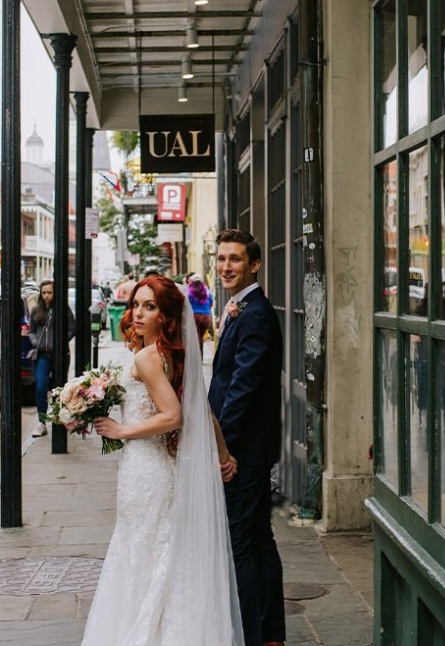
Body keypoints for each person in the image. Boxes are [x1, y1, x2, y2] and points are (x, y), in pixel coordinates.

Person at [84, 275, 243, 646]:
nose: (138, 313)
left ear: (166, 315)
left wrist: (120, 431)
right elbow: (202, 411)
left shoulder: (147, 357)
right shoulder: (173, 354)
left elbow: (174, 416)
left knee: (140, 554)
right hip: (162, 471)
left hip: (145, 469)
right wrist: (223, 455)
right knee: (164, 554)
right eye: (136, 304)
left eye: (149, 307)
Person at [209, 228, 286, 646]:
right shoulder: (241, 307)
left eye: (235, 259)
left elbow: (244, 386)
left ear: (254, 264)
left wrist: (221, 444)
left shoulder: (255, 313)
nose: (226, 267)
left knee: (240, 544)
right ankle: (271, 634)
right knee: (258, 537)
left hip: (242, 448)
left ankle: (251, 637)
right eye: (221, 259)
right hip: (250, 445)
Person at [29, 278, 75, 437]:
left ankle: (59, 419)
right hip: (42, 354)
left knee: (60, 388)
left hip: (59, 354)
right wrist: (35, 342)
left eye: (50, 292)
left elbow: (71, 328)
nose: (47, 296)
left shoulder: (63, 309)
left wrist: (60, 343)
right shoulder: (36, 310)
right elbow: (32, 331)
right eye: (44, 293)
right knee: (41, 387)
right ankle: (42, 423)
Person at [186, 272, 214, 351]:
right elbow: (211, 303)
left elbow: (187, 304)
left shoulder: (189, 291)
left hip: (195, 316)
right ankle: (200, 359)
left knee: (195, 338)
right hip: (206, 317)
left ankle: (196, 359)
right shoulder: (207, 291)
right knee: (200, 338)